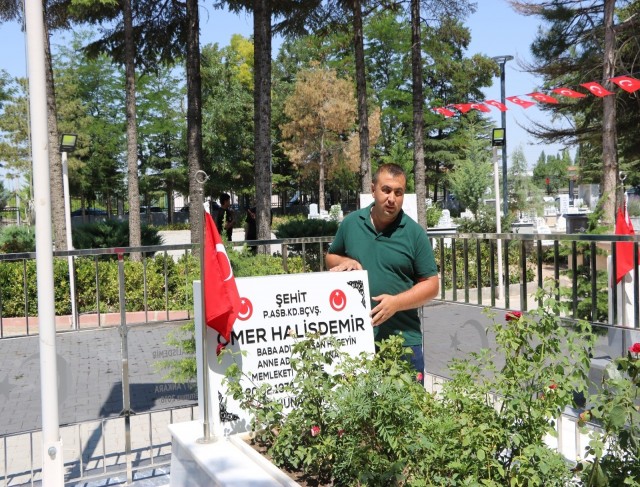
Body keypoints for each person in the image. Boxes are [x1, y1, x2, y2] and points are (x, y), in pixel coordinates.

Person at [326, 163, 439, 374]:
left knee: (407, 407)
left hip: (403, 343)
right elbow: (331, 257)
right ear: (373, 189)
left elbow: (431, 285)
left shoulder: (414, 233)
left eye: (399, 192)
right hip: (355, 341)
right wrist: (344, 261)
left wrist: (396, 303)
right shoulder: (351, 224)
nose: (391, 198)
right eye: (386, 190)